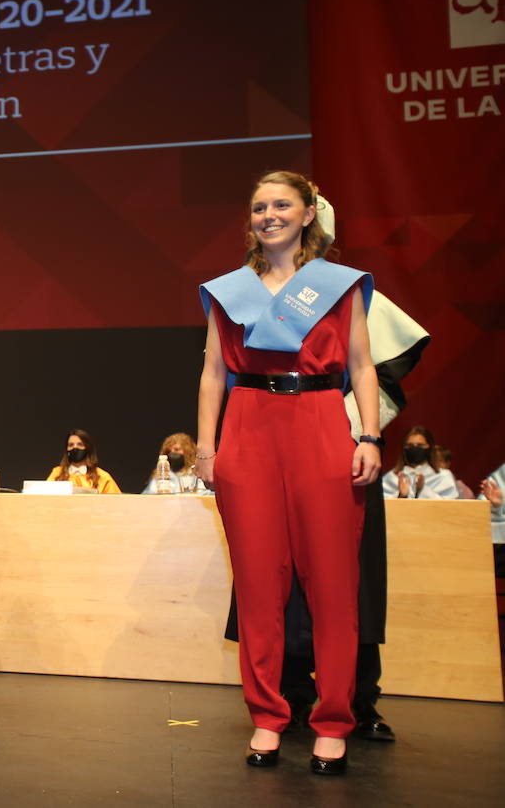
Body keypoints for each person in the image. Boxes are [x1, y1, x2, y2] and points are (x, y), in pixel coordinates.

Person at [196, 170, 381, 775]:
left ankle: (333, 721)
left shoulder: (338, 285)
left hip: (321, 422)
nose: (268, 214)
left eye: (281, 205)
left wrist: (370, 435)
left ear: (308, 215)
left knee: (331, 582)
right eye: (258, 207)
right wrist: (206, 447)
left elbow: (361, 364)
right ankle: (268, 717)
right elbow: (214, 373)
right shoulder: (230, 291)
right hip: (247, 427)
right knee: (257, 584)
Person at [381, 425, 458, 499]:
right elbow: (381, 505)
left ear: (429, 447)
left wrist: (422, 490)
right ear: (403, 448)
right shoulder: (391, 477)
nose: (415, 449)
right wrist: (401, 496)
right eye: (409, 445)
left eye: (420, 445)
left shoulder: (443, 476)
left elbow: (451, 507)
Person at [47, 429, 120, 493]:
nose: (75, 447)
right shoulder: (57, 474)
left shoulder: (102, 477)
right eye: (71, 445)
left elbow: (116, 503)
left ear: (88, 448)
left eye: (80, 444)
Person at [139, 432, 213, 495]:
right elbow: (146, 497)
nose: (172, 453)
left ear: (188, 452)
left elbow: (207, 495)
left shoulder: (197, 474)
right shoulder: (160, 475)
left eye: (177, 449)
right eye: (169, 451)